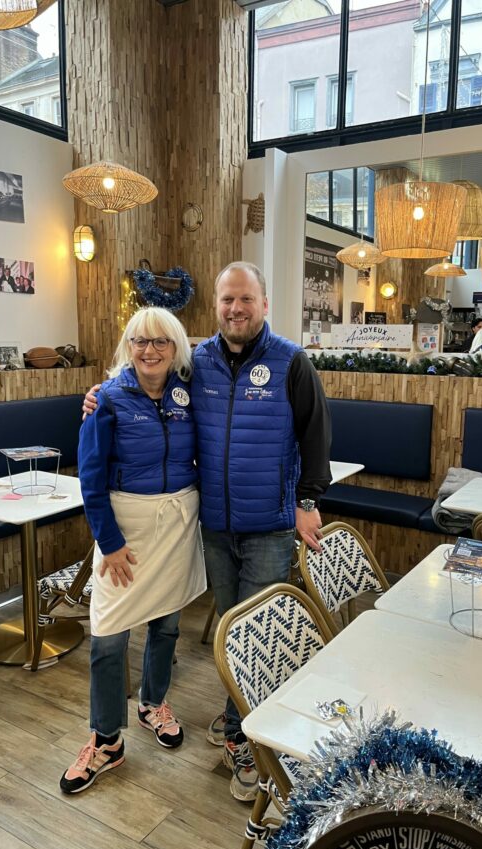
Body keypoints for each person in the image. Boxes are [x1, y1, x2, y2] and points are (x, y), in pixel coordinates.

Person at [83, 262, 332, 802]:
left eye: (246, 299)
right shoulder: (197, 364)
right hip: (213, 525)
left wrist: (308, 500)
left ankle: (243, 736)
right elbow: (144, 389)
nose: (236, 309)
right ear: (216, 305)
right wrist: (100, 395)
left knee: (256, 633)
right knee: (226, 630)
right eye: (227, 300)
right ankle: (234, 717)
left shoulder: (291, 361)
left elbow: (316, 435)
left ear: (264, 303)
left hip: (269, 525)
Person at [60, 307, 206, 795]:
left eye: (160, 341)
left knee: (167, 624)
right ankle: (106, 739)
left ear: (176, 347)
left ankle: (152, 703)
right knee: (107, 636)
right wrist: (111, 543)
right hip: (125, 531)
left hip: (176, 525)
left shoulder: (189, 392)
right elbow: (90, 478)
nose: (150, 350)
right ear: (128, 346)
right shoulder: (106, 398)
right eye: (140, 341)